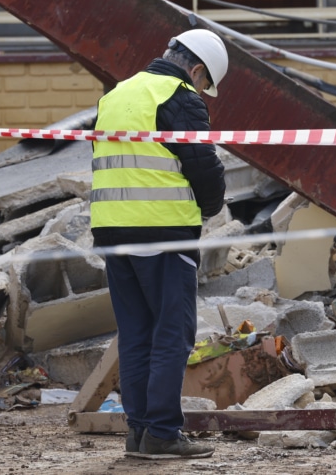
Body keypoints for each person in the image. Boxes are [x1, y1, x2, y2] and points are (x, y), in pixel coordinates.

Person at [90, 28, 229, 460]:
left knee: (136, 334)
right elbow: (202, 167)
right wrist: (209, 207)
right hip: (163, 232)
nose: (202, 91)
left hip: (113, 232)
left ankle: (140, 433)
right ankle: (164, 434)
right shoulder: (180, 96)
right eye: (205, 83)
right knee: (172, 334)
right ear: (198, 70)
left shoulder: (116, 94)